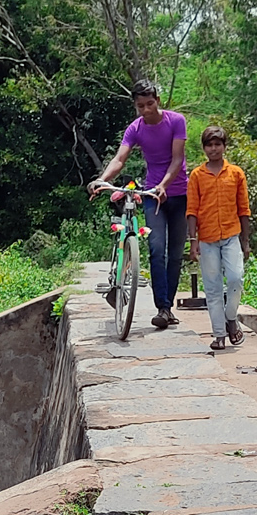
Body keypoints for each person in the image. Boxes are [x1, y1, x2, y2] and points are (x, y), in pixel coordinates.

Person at [90, 80, 189, 330]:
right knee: (157, 249)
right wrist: (102, 180)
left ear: (158, 100)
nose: (145, 110)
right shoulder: (135, 129)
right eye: (140, 106)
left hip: (179, 194)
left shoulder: (176, 121)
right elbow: (120, 159)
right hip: (151, 195)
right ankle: (162, 308)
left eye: (149, 104)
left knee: (175, 254)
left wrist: (164, 185)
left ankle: (168, 308)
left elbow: (177, 159)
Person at [185, 126, 254, 350]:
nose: (213, 149)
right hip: (206, 239)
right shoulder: (197, 175)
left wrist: (246, 241)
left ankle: (231, 318)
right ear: (204, 148)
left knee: (236, 279)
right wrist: (193, 241)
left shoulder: (235, 173)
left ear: (224, 146)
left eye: (217, 144)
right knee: (213, 288)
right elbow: (192, 209)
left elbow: (244, 209)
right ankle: (219, 335)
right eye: (209, 145)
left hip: (231, 235)